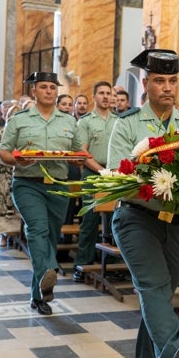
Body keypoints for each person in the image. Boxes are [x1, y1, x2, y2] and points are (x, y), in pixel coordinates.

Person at [107, 49, 179, 358]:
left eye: (172, 80)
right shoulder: (127, 124)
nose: (167, 87)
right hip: (135, 220)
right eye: (159, 80)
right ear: (145, 85)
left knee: (156, 303)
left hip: (176, 225)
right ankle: (177, 350)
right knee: (151, 288)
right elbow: (116, 178)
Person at [0, 72, 82, 316]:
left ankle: (39, 294)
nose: (49, 91)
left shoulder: (68, 121)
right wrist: (18, 160)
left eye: (52, 87)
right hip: (27, 183)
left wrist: (78, 160)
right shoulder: (19, 119)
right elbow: (3, 153)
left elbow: (78, 152)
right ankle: (49, 269)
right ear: (34, 91)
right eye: (43, 87)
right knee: (37, 230)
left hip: (58, 184)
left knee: (51, 237)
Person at [72, 81, 118, 281]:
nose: (106, 97)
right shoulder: (86, 121)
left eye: (109, 93)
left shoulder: (118, 120)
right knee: (89, 220)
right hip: (93, 173)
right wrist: (101, 171)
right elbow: (82, 152)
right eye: (102, 93)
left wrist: (113, 172)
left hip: (115, 174)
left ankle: (113, 265)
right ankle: (83, 264)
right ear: (94, 96)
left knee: (116, 221)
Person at [0, 103, 22, 247]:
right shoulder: (2, 133)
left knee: (19, 207)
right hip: (6, 174)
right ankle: (3, 234)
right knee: (4, 206)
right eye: (12, 115)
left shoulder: (25, 132)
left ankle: (19, 233)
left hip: (21, 173)